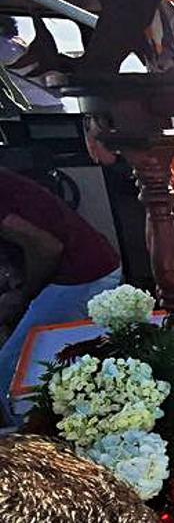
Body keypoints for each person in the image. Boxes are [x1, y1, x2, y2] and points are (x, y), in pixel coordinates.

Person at [0, 168, 121, 424]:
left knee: (10, 370)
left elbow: (47, 247)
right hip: (73, 269)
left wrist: (26, 294)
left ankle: (36, 452)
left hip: (82, 274)